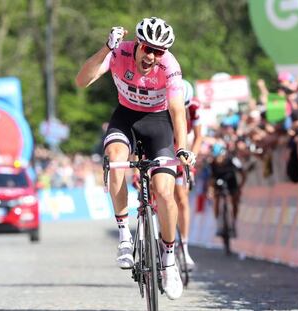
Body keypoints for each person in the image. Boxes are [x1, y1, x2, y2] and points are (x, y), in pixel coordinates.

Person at [76, 17, 195, 300]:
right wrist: (106, 48)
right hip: (125, 118)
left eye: (158, 51)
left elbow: (178, 110)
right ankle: (124, 236)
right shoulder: (119, 52)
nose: (151, 56)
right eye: (147, 48)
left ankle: (168, 260)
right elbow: (82, 81)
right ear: (137, 45)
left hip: (159, 124)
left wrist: (182, 146)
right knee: (115, 159)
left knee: (165, 192)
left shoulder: (170, 67)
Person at [174, 79, 203, 269]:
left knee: (182, 198)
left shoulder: (194, 107)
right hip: (167, 144)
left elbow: (199, 136)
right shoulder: (165, 101)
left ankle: (184, 246)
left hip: (183, 150)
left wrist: (192, 160)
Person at [208, 143, 246, 238]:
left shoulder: (232, 159)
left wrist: (240, 186)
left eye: (219, 157)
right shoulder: (212, 163)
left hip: (231, 181)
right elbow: (211, 179)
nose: (218, 160)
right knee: (216, 200)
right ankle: (218, 224)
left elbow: (243, 173)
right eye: (216, 158)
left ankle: (233, 221)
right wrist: (211, 190)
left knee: (235, 200)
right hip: (218, 181)